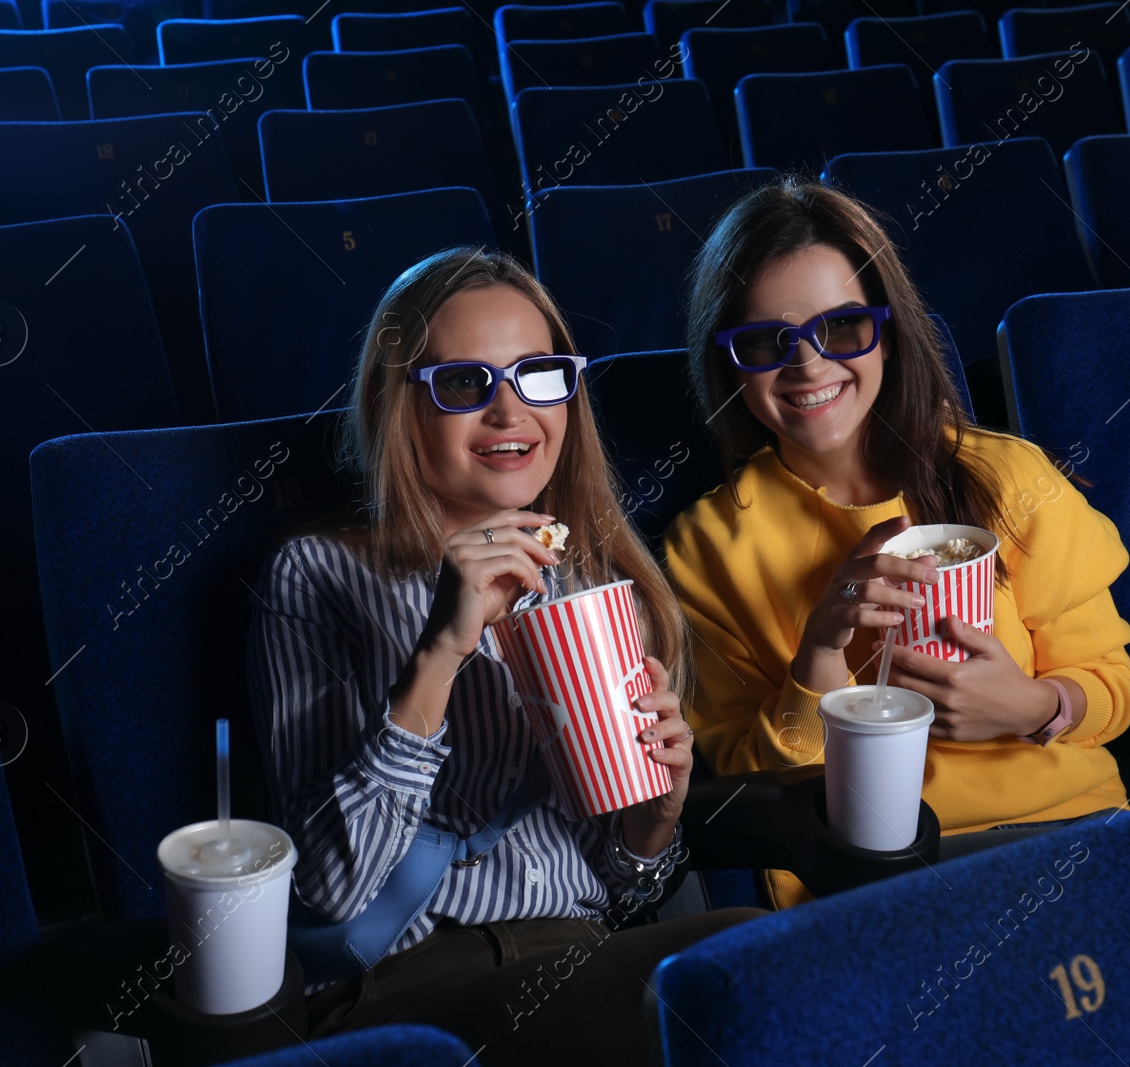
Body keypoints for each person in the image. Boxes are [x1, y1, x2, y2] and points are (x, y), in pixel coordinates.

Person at [246, 247, 762, 1062]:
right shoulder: (319, 575)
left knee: (765, 956)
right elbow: (332, 887)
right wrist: (441, 650)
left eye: (538, 374)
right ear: (401, 407)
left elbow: (623, 891)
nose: (510, 411)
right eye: (463, 384)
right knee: (734, 961)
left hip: (580, 957)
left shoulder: (589, 585)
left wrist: (652, 824)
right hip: (400, 986)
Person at [664, 179, 1130, 909]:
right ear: (729, 361)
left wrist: (1035, 704)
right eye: (766, 341)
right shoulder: (706, 547)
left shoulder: (1010, 478)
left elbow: (1113, 686)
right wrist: (818, 654)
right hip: (864, 871)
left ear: (887, 331)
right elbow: (741, 782)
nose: (809, 365)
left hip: (1067, 829)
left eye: (844, 327)